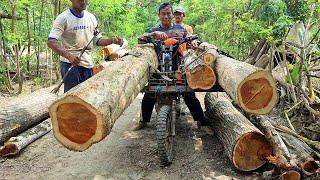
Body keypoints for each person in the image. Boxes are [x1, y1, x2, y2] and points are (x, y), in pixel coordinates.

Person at [135, 2, 209, 130]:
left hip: (177, 67)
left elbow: (190, 42)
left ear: (172, 15)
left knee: (188, 92)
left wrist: (194, 44)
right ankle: (144, 121)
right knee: (150, 92)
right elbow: (139, 40)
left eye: (168, 13)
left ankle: (201, 121)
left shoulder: (180, 29)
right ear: (159, 15)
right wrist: (152, 35)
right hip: (159, 67)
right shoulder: (153, 30)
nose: (166, 16)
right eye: (163, 14)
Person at [48, 0, 123, 92]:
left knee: (86, 96)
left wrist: (112, 40)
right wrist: (69, 56)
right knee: (71, 99)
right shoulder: (63, 18)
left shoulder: (91, 17)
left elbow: (97, 40)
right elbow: (51, 41)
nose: (83, 2)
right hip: (69, 65)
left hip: (87, 64)